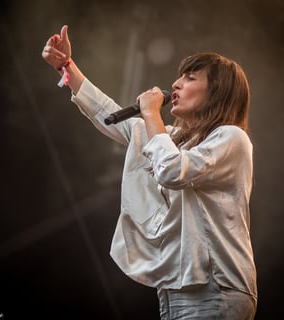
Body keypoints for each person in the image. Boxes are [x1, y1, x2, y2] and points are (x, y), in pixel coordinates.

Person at [42, 25, 258, 320]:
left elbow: (171, 170)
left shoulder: (231, 139)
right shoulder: (173, 139)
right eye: (180, 76)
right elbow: (109, 115)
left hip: (216, 290)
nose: (176, 85)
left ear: (217, 92)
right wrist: (67, 67)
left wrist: (151, 114)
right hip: (174, 289)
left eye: (190, 78)